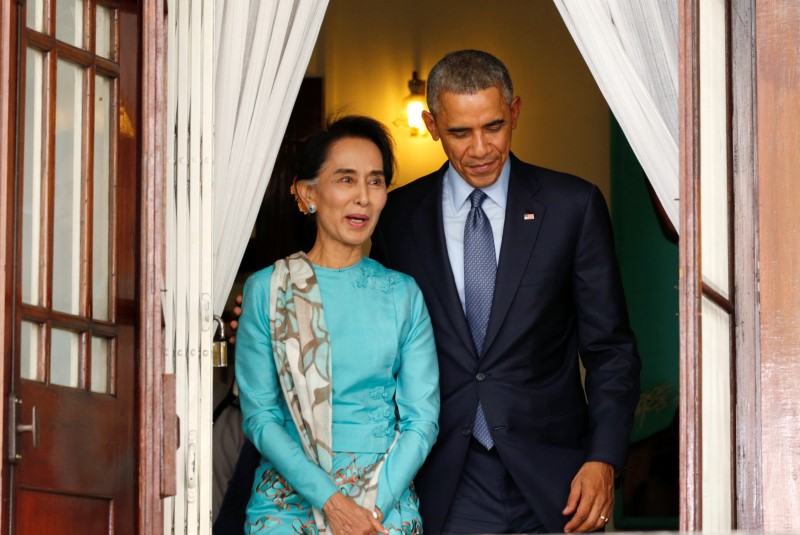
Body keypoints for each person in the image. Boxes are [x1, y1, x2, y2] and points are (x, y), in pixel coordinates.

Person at [369, 50, 641, 534]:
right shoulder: (397, 217)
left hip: (559, 480)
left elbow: (611, 351)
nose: (480, 148)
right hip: (445, 477)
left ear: (515, 112)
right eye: (459, 132)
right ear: (432, 125)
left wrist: (604, 459)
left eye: (493, 126)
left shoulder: (571, 206)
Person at [235, 115, 440, 535]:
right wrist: (331, 502)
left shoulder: (401, 294)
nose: (363, 198)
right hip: (287, 506)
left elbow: (422, 420)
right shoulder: (269, 290)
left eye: (376, 181)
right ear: (308, 193)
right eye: (346, 180)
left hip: (383, 505)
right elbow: (260, 415)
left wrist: (370, 510)